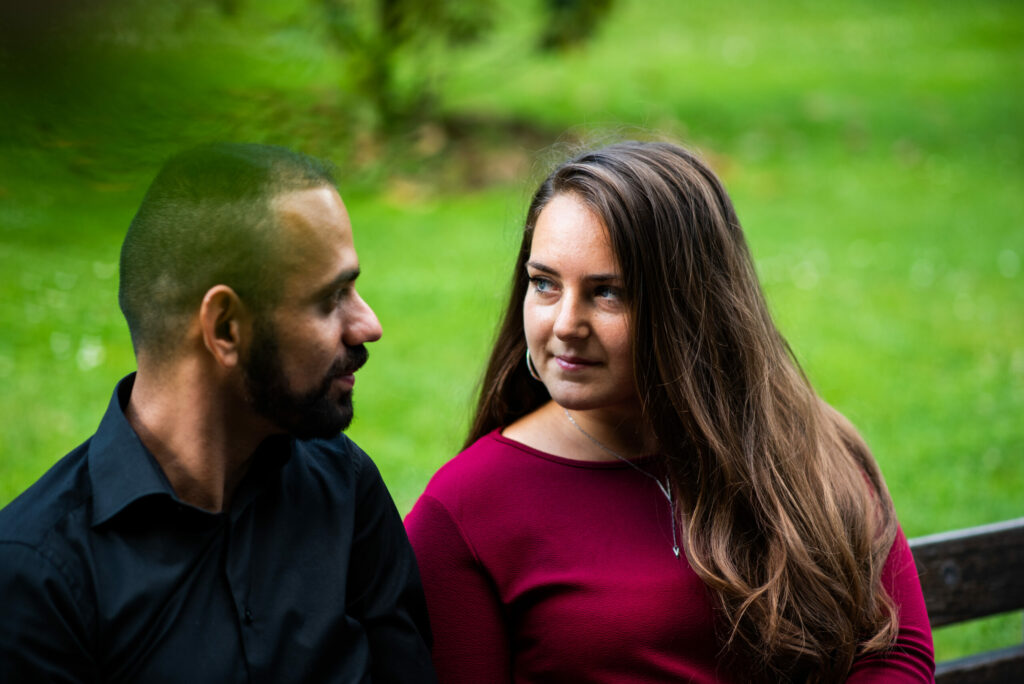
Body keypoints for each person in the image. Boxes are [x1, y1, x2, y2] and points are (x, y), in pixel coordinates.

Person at [405, 141, 935, 683]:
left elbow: (895, 655)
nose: (565, 323)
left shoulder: (806, 447)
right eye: (544, 283)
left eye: (608, 293)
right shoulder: (466, 510)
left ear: (691, 304)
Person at [0, 143, 437, 683]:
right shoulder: (37, 576)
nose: (367, 324)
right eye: (332, 298)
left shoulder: (344, 488)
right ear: (226, 327)